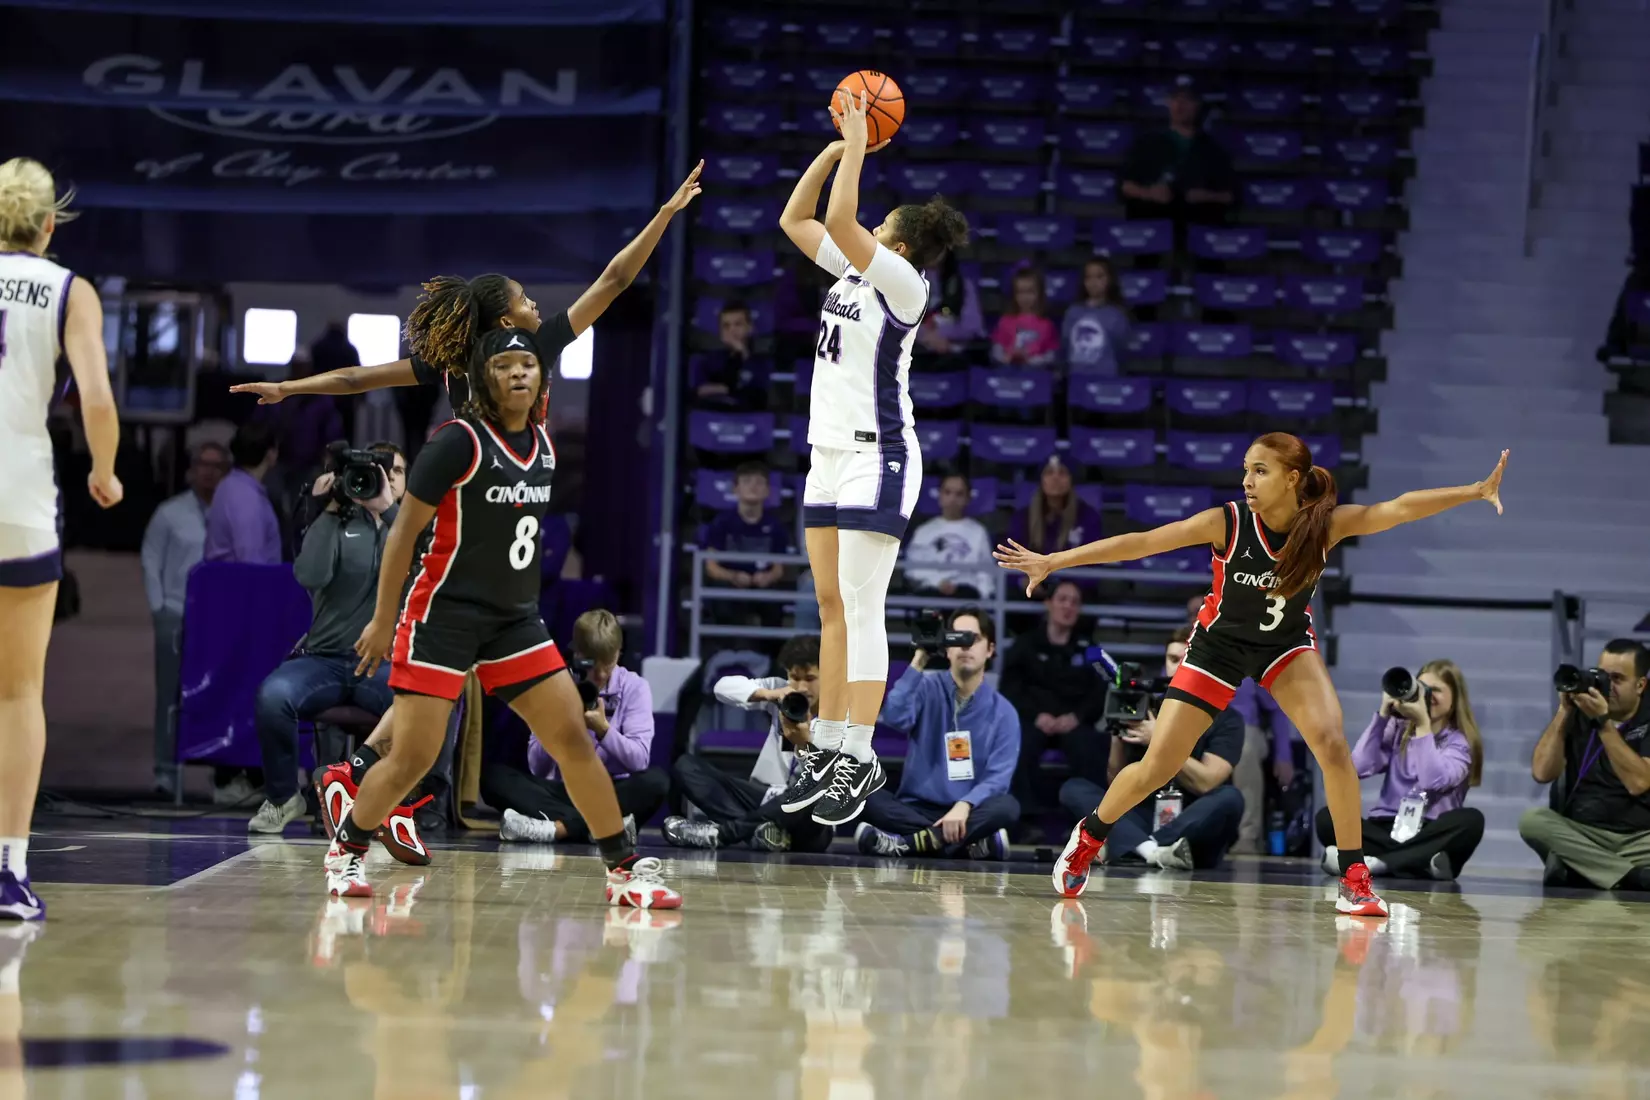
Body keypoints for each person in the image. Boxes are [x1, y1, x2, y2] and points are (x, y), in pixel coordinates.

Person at [245, 162, 706, 862]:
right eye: (521, 300)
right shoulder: (473, 381)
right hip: (460, 539)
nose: (531, 307)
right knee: (421, 742)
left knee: (544, 735)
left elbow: (615, 281)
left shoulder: (528, 354)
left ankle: (618, 866)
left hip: (509, 571)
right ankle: (359, 799)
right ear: (501, 325)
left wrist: (666, 214)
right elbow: (360, 377)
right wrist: (289, 387)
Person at [997, 432, 1509, 916]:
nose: (1247, 480)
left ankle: (1354, 878)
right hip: (1216, 648)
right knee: (1157, 767)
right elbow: (1144, 541)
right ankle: (1090, 836)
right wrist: (1055, 560)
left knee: (1332, 745)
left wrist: (1474, 491)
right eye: (1245, 470)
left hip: (1283, 646)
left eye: (1259, 470)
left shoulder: (1323, 525)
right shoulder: (1229, 521)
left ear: (1291, 478)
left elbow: (1397, 509)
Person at [347, 327, 679, 908]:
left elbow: (611, 284)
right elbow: (402, 536)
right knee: (412, 759)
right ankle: (346, 850)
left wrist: (663, 226)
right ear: (485, 378)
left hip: (512, 621)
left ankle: (622, 872)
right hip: (443, 615)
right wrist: (382, 618)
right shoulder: (457, 441)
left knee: (573, 737)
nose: (521, 372)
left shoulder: (543, 436)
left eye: (529, 362)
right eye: (506, 365)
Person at [773, 89, 970, 827]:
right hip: (826, 455)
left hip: (879, 456)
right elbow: (799, 220)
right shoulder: (855, 274)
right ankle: (828, 742)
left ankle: (857, 753)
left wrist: (858, 143)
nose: (870, 228)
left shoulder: (905, 283)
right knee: (830, 605)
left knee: (862, 606)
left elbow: (840, 220)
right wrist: (831, 151)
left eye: (884, 225)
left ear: (905, 244)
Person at [0, 157, 123, 922]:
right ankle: (8, 872)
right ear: (51, 224)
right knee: (17, 692)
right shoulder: (69, 289)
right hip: (18, 498)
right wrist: (105, 473)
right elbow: (98, 398)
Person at [247, 443, 404, 835]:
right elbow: (310, 576)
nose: (379, 482)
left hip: (386, 664)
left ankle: (393, 803)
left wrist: (387, 510)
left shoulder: (411, 522)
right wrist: (330, 510)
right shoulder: (336, 520)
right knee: (273, 696)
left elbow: (425, 559)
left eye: (394, 472)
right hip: (326, 659)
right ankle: (284, 798)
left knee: (423, 708)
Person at [1058, 630, 1244, 870]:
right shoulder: (1144, 703)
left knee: (1230, 798)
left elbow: (1206, 782)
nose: (1177, 667)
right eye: (1172, 659)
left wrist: (1160, 738)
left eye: (1185, 660)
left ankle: (1135, 847)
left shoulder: (1227, 718)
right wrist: (1119, 731)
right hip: (1144, 816)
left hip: (1191, 824)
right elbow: (1116, 780)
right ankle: (1152, 852)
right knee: (1074, 789)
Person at [481, 609, 668, 846]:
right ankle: (607, 828)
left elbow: (639, 760)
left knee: (656, 782)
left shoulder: (635, 687)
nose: (600, 674)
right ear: (578, 655)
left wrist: (604, 731)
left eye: (608, 664)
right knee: (493, 778)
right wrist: (562, 724)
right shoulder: (556, 686)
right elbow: (537, 767)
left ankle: (556, 829)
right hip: (565, 789)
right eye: (592, 665)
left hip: (613, 789)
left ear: (619, 654)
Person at [854, 608, 1021, 859]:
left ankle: (909, 844)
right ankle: (963, 845)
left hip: (967, 811)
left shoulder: (1004, 712)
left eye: (973, 639)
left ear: (990, 649)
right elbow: (895, 717)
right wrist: (919, 659)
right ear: (946, 647)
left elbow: (998, 779)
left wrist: (964, 806)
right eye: (957, 638)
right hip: (916, 809)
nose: (965, 646)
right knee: (859, 793)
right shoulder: (926, 686)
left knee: (1008, 806)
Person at [1317, 659, 1486, 881]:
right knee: (1326, 817)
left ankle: (1373, 862)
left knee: (1471, 820)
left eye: (1436, 690)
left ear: (1455, 700)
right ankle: (1418, 862)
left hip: (1430, 830)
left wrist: (1423, 725)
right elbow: (1357, 767)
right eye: (1423, 688)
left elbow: (1431, 781)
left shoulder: (1459, 743)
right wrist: (1382, 717)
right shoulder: (1398, 729)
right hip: (1386, 827)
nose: (1428, 695)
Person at [664, 634, 835, 852]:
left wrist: (805, 744)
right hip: (764, 795)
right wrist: (769, 694)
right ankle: (761, 833)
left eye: (810, 679)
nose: (801, 687)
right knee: (685, 766)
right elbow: (722, 688)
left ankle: (724, 833)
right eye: (794, 677)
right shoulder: (781, 691)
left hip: (808, 821)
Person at [1520, 639, 1650, 890]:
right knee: (1532, 820)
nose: (1607, 686)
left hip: (1640, 839)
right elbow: (1542, 772)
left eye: (1617, 679)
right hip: (1584, 834)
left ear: (1640, 685)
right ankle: (1631, 877)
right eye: (1602, 675)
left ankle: (1583, 869)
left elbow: (1639, 782)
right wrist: (1564, 712)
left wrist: (1603, 724)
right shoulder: (1581, 710)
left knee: (1565, 856)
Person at [141, 441, 229, 796]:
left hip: (219, 620)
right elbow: (150, 559)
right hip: (175, 614)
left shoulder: (230, 515)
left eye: (216, 466)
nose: (208, 472)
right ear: (191, 469)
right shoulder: (168, 513)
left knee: (220, 695)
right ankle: (165, 773)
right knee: (170, 697)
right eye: (202, 464)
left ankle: (221, 775)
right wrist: (160, 608)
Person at [998, 579, 1103, 812]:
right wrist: (1035, 715)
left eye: (1074, 602)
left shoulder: (1091, 648)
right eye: (1062, 600)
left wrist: (1077, 717)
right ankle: (1025, 821)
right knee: (1017, 746)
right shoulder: (1024, 644)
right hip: (1034, 720)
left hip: (1074, 723)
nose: (1068, 607)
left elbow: (1100, 690)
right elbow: (1009, 689)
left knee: (1091, 748)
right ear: (1048, 603)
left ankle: (1083, 822)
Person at [1120, 75, 1235, 232]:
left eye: (1187, 99)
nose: (1180, 105)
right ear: (1168, 103)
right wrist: (1149, 193)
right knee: (1141, 210)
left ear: (1198, 105)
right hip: (1155, 215)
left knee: (1209, 215)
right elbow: (1126, 185)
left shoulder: (1213, 149)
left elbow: (1229, 195)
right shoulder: (1146, 143)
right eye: (1175, 98)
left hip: (1196, 217)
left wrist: (1204, 195)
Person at [1006, 454, 1103, 590]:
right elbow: (1011, 558)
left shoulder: (1088, 517)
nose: (1055, 478)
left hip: (1073, 594)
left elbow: (1094, 563)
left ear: (1071, 480)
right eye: (1049, 472)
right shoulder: (1023, 517)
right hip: (1031, 591)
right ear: (1041, 480)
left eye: (1062, 473)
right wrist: (1023, 581)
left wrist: (1062, 587)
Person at [701, 459, 790, 592]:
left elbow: (778, 568)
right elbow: (711, 567)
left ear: (767, 491)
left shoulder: (775, 526)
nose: (753, 487)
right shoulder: (721, 523)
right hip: (729, 585)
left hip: (762, 586)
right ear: (735, 489)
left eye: (759, 483)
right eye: (747, 481)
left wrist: (768, 577)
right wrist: (733, 576)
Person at [902, 471, 994, 600]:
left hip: (966, 596)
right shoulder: (924, 531)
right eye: (947, 492)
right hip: (931, 593)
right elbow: (913, 570)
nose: (952, 499)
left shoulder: (978, 532)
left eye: (959, 494)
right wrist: (937, 583)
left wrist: (983, 598)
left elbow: (986, 573)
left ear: (968, 498)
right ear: (939, 495)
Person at [205, 422, 281, 565]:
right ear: (271, 454)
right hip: (243, 585)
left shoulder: (229, 486)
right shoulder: (246, 498)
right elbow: (250, 563)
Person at [690, 301, 770, 411]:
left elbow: (758, 399)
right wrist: (732, 389)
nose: (732, 330)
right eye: (726, 326)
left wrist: (724, 388)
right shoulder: (708, 360)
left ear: (750, 328)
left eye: (738, 324)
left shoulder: (761, 364)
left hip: (746, 418)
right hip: (714, 415)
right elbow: (701, 391)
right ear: (720, 332)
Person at [1061, 257, 1132, 375]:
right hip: (1077, 378)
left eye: (1099, 276)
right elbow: (1066, 345)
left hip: (1105, 378)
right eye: (1088, 277)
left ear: (1110, 279)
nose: (1093, 282)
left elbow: (1121, 351)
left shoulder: (1117, 315)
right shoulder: (1073, 313)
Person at [914, 252, 985, 360]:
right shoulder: (910, 283)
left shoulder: (962, 284)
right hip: (919, 352)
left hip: (954, 354)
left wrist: (942, 334)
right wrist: (925, 336)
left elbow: (973, 326)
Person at [989, 268, 1059, 367]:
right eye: (1020, 292)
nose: (1025, 297)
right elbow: (996, 350)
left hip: (1036, 375)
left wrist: (1030, 361)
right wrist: (1006, 358)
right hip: (1009, 373)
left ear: (1039, 294)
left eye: (1030, 292)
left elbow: (1051, 356)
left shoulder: (1046, 325)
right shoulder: (1005, 321)